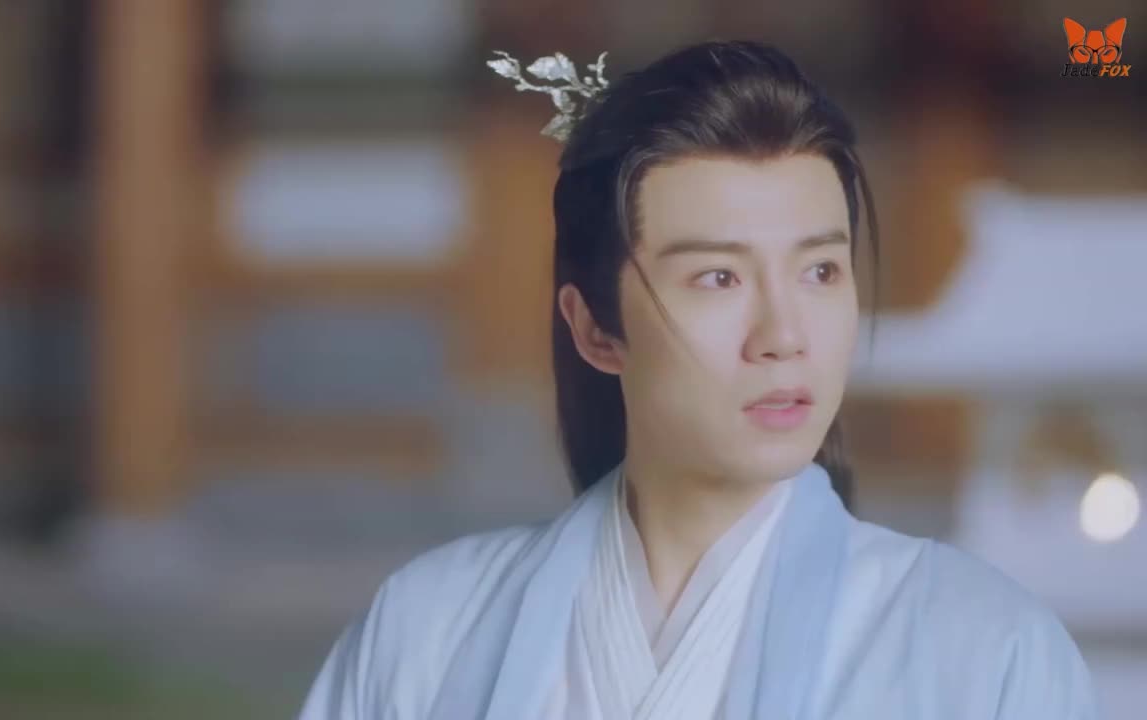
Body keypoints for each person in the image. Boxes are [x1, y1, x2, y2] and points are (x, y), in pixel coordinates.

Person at [298, 40, 1099, 719]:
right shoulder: (429, 629)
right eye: (719, 278)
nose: (784, 336)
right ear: (595, 327)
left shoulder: (985, 648)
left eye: (821, 271)